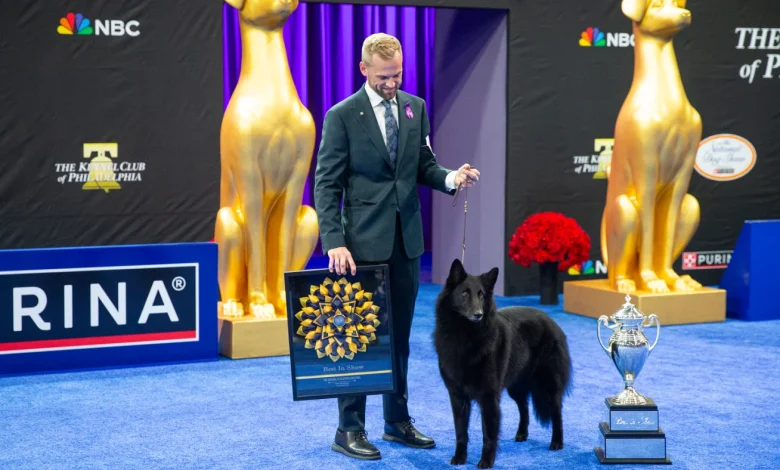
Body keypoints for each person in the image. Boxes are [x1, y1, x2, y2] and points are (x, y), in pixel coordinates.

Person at [313, 32, 480, 461]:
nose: (392, 84)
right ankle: (349, 429)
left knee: (399, 338)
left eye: (398, 75)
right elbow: (327, 184)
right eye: (384, 77)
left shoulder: (414, 108)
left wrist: (451, 177)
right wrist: (334, 242)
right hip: (359, 247)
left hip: (406, 243)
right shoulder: (341, 116)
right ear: (364, 69)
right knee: (358, 338)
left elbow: (423, 165)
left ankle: (397, 421)